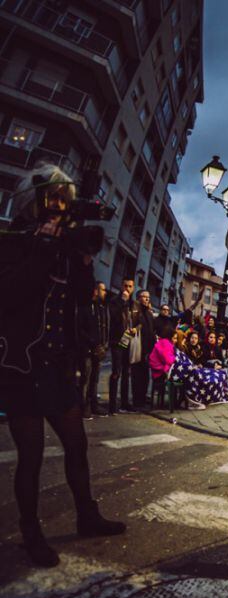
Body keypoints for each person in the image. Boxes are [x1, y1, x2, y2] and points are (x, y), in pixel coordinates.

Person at [0, 164, 125, 566]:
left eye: (62, 203)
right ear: (31, 205)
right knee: (31, 454)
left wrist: (84, 260)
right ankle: (31, 533)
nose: (58, 211)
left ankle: (87, 515)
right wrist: (41, 247)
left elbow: (85, 298)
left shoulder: (63, 249)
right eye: (51, 203)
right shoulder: (12, 243)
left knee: (76, 444)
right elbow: (12, 294)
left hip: (57, 365)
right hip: (20, 366)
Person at [79, 281, 109, 417]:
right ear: (96, 291)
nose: (105, 293)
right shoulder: (86, 307)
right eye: (103, 290)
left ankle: (93, 405)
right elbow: (80, 329)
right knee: (85, 378)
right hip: (87, 349)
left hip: (98, 349)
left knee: (95, 379)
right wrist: (91, 342)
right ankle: (83, 407)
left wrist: (103, 343)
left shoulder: (100, 308)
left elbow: (103, 327)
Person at [108, 281, 135, 414]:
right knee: (116, 372)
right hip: (117, 341)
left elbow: (134, 321)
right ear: (121, 286)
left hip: (128, 341)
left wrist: (135, 329)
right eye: (125, 286)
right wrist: (123, 302)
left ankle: (124, 403)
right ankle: (112, 405)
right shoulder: (115, 301)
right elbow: (114, 318)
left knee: (126, 373)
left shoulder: (133, 304)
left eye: (130, 286)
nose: (127, 289)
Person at [130, 289, 155, 409]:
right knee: (136, 376)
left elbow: (152, 332)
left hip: (148, 351)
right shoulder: (135, 312)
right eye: (144, 297)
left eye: (148, 297)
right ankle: (136, 401)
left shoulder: (149, 314)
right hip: (137, 349)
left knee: (145, 377)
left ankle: (142, 399)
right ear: (138, 298)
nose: (147, 299)